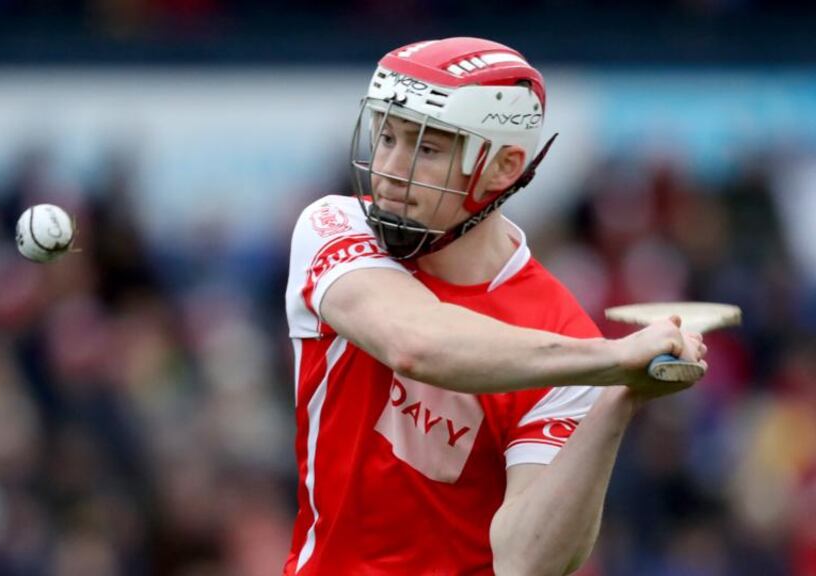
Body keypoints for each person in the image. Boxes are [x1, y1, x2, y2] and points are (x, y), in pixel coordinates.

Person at [283, 37, 707, 575]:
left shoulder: (561, 336)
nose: (388, 169)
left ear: (504, 167)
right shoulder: (336, 227)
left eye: (426, 149)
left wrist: (618, 400)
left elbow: (527, 559)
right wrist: (609, 360)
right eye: (386, 136)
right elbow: (416, 344)